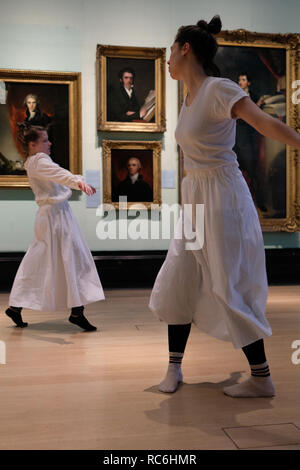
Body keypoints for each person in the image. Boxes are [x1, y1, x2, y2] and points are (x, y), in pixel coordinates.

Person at [149, 15, 300, 398]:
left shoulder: (220, 89)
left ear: (186, 49)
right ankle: (174, 368)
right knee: (180, 275)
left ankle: (262, 378)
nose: (167, 60)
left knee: (228, 284)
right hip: (196, 198)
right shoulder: (187, 98)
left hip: (222, 197)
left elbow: (265, 123)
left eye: (170, 51)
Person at [5, 124, 105, 331]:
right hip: (55, 217)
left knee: (47, 259)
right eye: (44, 140)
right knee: (71, 258)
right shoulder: (39, 161)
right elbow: (60, 174)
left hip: (53, 214)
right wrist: (78, 182)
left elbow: (60, 174)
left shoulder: (34, 162)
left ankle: (17, 307)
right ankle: (76, 312)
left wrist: (77, 180)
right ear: (33, 144)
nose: (49, 143)